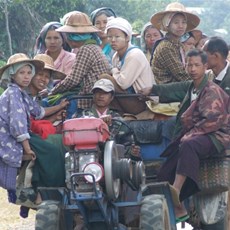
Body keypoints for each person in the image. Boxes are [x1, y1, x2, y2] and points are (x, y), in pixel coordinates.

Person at [140, 49, 230, 222]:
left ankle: (177, 189)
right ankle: (178, 207)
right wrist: (152, 90)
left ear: (205, 67)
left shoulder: (211, 90)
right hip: (197, 135)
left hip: (216, 135)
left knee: (188, 144)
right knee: (165, 170)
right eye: (189, 65)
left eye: (197, 65)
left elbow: (213, 121)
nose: (193, 69)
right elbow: (172, 89)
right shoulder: (191, 87)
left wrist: (190, 135)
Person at [0, 53, 68, 206]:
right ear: (12, 75)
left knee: (53, 148)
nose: (26, 77)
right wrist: (27, 148)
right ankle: (47, 192)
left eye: (29, 73)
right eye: (21, 73)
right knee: (50, 151)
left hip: (23, 135)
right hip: (10, 139)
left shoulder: (22, 94)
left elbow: (39, 112)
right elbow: (18, 126)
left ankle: (41, 191)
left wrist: (60, 107)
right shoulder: (13, 94)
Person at [51, 11, 111, 113]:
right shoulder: (94, 47)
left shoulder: (85, 50)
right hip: (93, 94)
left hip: (88, 98)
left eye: (68, 35)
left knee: (49, 101)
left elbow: (73, 79)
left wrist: (52, 91)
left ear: (73, 37)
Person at [100, 17, 156, 114]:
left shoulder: (134, 55)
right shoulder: (116, 56)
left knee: (105, 77)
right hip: (128, 98)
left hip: (143, 102)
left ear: (127, 38)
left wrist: (113, 70)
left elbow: (123, 83)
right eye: (110, 37)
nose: (113, 40)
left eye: (117, 37)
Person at [150, 2, 200, 84]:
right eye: (176, 22)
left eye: (184, 22)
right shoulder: (166, 47)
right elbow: (181, 75)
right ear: (167, 25)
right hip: (167, 90)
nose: (181, 26)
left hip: (178, 86)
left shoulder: (179, 44)